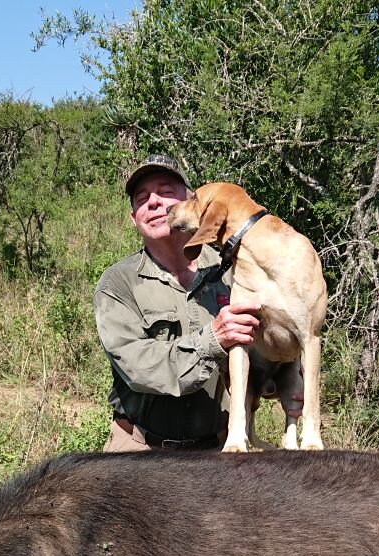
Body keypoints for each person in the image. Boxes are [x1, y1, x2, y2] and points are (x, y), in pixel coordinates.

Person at [94, 156, 263, 451]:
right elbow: (139, 368)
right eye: (142, 198)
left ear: (191, 200)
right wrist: (214, 339)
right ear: (135, 218)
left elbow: (263, 347)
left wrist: (288, 379)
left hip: (220, 446)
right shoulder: (118, 283)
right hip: (141, 447)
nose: (154, 202)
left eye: (166, 190)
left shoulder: (233, 270)